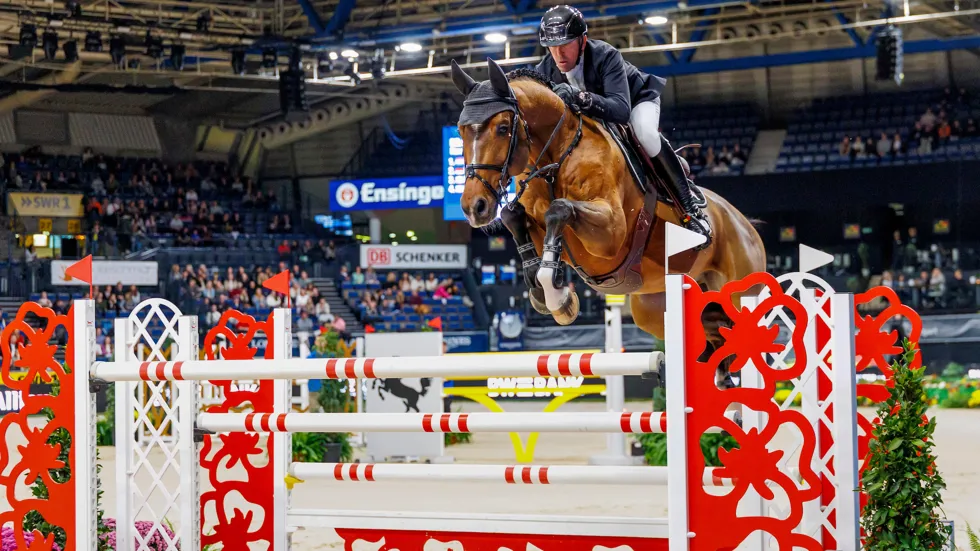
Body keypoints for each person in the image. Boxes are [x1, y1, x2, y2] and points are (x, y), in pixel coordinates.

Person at [534, 5, 711, 246]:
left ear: (583, 41)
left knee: (645, 134)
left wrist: (580, 97)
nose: (558, 53)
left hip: (636, 101)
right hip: (595, 116)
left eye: (566, 44)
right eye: (552, 46)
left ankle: (690, 210)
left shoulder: (606, 55)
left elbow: (620, 110)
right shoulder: (544, 71)